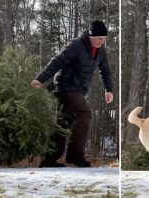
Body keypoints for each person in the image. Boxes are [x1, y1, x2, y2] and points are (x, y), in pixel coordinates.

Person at [31, 20, 113, 167]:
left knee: (63, 122)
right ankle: (75, 156)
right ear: (90, 36)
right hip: (65, 86)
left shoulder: (100, 50)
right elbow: (57, 61)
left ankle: (49, 159)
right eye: (99, 38)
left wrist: (109, 89)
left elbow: (105, 70)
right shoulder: (77, 45)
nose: (102, 41)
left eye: (104, 38)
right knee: (85, 114)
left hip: (78, 89)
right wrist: (40, 79)